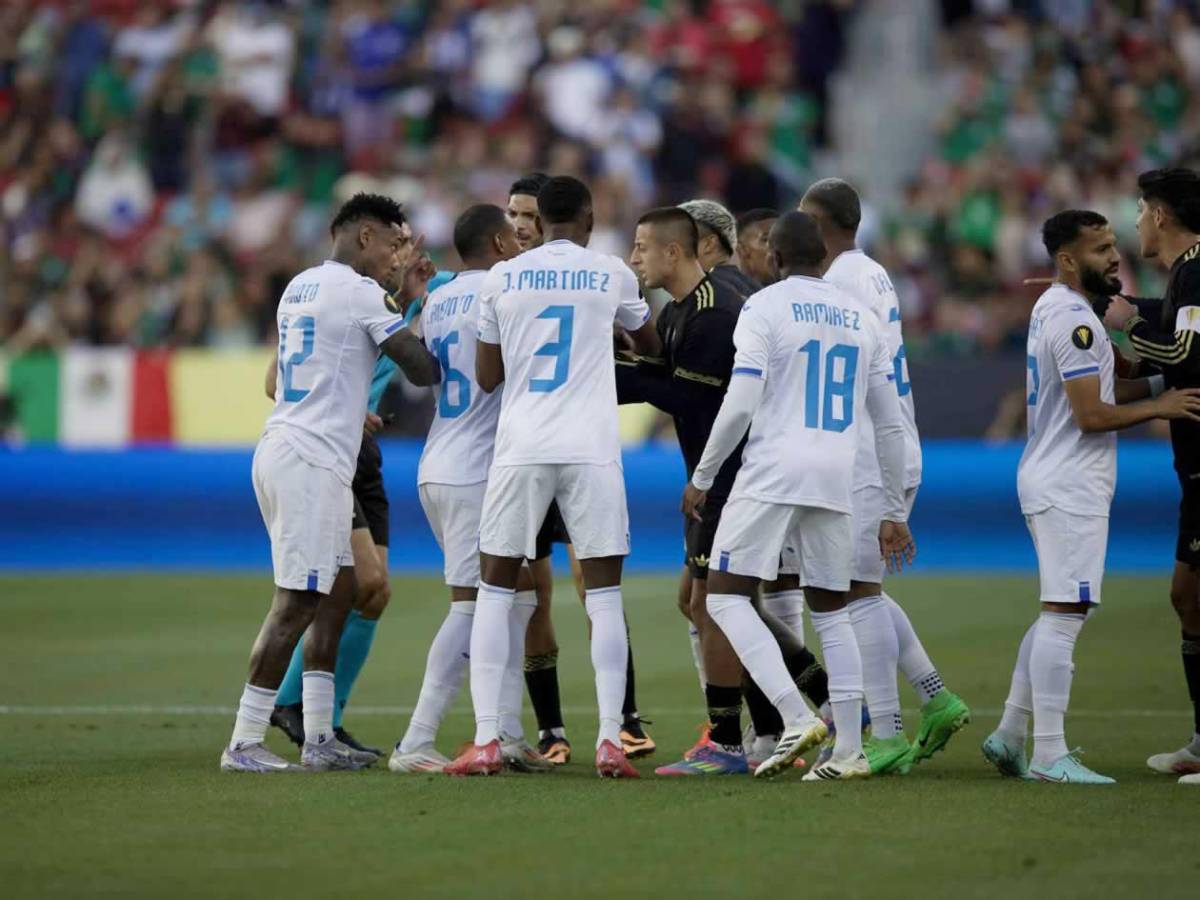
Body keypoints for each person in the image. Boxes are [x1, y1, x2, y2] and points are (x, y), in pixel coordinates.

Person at [682, 211, 916, 781]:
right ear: (823, 258)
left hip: (772, 472)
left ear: (777, 258)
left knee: (725, 597)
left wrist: (705, 475)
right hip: (836, 477)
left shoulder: (764, 307)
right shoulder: (861, 318)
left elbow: (739, 404)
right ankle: (851, 753)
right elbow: (890, 425)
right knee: (830, 611)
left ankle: (792, 716)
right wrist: (894, 505)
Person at [446, 176, 661, 777]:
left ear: (538, 220)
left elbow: (488, 375)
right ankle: (612, 740)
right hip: (591, 448)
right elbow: (648, 344)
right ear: (588, 219)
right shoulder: (611, 272)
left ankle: (488, 738)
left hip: (521, 447)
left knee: (494, 588)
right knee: (605, 595)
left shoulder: (502, 277)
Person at [220, 193, 440, 773]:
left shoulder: (301, 285)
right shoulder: (362, 293)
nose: (397, 256)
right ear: (365, 238)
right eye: (393, 245)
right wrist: (424, 308)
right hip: (310, 462)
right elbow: (420, 369)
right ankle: (242, 742)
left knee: (338, 590)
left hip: (292, 448)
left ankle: (319, 735)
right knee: (295, 602)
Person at [984, 209, 1200, 784]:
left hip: (1054, 477)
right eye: (1101, 249)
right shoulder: (1075, 320)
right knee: (1065, 613)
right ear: (1067, 260)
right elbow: (1091, 413)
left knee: (1058, 607)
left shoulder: (1058, 308)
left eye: (1113, 246)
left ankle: (1009, 732)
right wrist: (1161, 407)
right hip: (1069, 481)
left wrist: (1162, 382)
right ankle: (1050, 755)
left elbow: (1106, 386)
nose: (1114, 257)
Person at [620, 207, 829, 776]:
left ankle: (728, 742)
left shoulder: (713, 313)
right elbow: (661, 371)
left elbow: (689, 397)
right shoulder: (676, 313)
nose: (634, 258)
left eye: (641, 247)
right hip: (710, 476)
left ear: (675, 252)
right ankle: (825, 705)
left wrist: (607, 375)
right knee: (703, 601)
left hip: (731, 477)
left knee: (718, 603)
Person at [801, 177, 969, 774]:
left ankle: (889, 732)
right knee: (859, 587)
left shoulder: (840, 281)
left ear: (822, 225)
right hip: (886, 447)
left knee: (853, 594)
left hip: (870, 454)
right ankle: (934, 695)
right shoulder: (870, 272)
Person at [388, 203, 545, 773]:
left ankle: (506, 731)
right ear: (500, 243)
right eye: (513, 235)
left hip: (442, 458)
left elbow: (420, 360)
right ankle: (415, 740)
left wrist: (414, 289)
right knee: (473, 603)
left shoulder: (437, 299)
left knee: (519, 590)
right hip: (475, 470)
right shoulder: (502, 288)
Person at [509, 173, 656, 765]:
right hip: (539, 448)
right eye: (510, 214)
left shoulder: (512, 279)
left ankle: (622, 717)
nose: (518, 224)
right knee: (533, 592)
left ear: (542, 219)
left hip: (540, 447)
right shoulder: (501, 279)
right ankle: (551, 729)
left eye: (526, 214)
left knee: (586, 582)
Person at [1102, 168, 1200, 785]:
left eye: (1140, 208)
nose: (1135, 220)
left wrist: (1125, 324)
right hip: (1192, 467)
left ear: (1161, 215)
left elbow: (1187, 354)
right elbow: (1175, 333)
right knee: (1187, 596)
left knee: (1192, 595)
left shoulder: (1196, 269)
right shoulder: (1182, 275)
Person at [736, 209, 779, 287]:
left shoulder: (801, 292)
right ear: (742, 249)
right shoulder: (724, 295)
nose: (780, 246)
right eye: (767, 239)